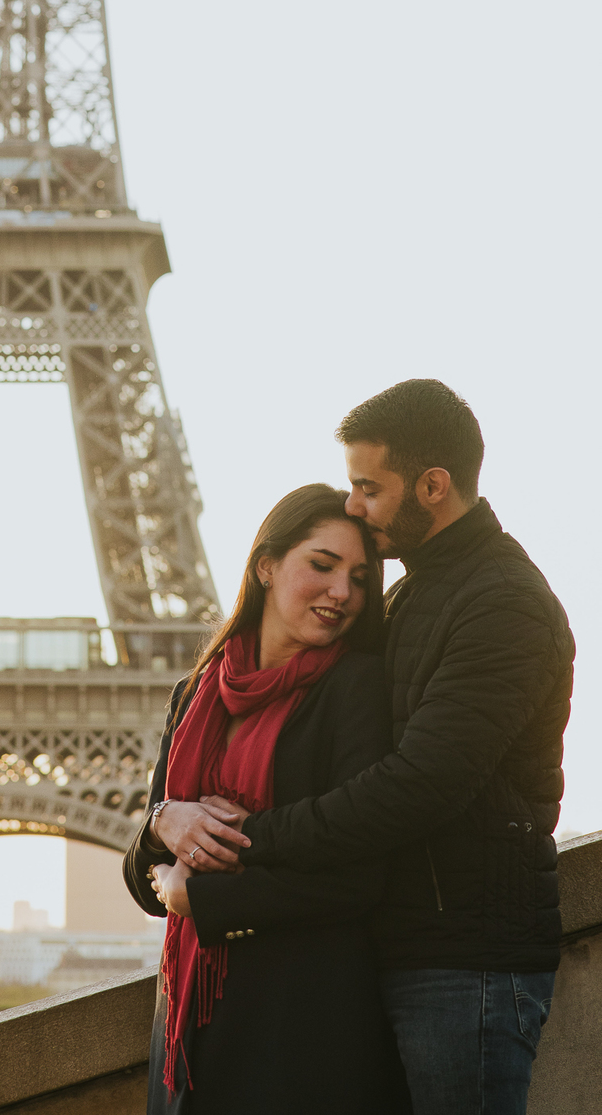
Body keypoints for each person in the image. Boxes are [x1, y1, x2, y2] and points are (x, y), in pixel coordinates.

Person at [166, 380, 575, 1115]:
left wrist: (245, 836)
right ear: (266, 566)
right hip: (399, 951)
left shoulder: (503, 603)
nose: (354, 505)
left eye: (368, 487)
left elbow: (418, 785)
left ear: (433, 486)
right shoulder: (408, 599)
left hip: (464, 963)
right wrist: (165, 818)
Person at [124, 483, 406, 1114]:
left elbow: (358, 878)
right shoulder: (195, 692)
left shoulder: (355, 688)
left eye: (360, 578)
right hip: (188, 1037)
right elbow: (142, 877)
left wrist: (201, 898)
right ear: (266, 566)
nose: (342, 591)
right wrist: (164, 821)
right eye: (323, 565)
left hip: (299, 1031)